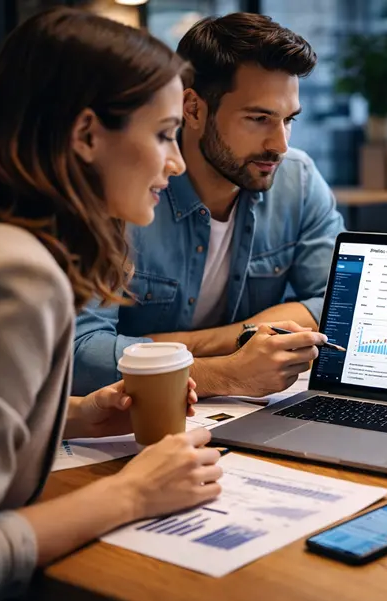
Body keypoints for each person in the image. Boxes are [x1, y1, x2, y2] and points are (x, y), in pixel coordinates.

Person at [0, 10, 223, 601]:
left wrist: (71, 415)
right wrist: (135, 493)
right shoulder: (8, 272)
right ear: (88, 134)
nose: (175, 163)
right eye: (163, 133)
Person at [73, 13, 341, 398]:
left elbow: (335, 305)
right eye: (259, 118)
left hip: (242, 416)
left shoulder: (297, 179)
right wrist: (229, 372)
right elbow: (81, 355)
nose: (280, 145)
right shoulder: (121, 188)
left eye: (288, 120)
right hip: (128, 421)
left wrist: (185, 343)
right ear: (193, 109)